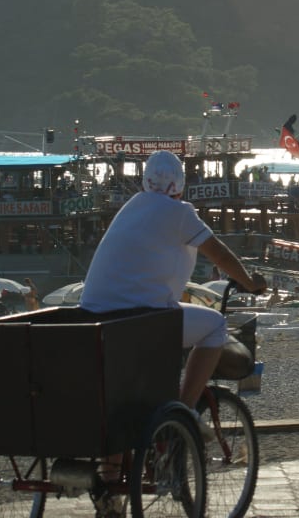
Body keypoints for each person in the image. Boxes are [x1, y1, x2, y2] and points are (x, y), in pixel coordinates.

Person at [79, 150, 266, 411]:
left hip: (95, 318)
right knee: (214, 325)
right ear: (180, 186)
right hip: (144, 319)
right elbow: (219, 255)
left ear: (145, 182)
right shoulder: (179, 212)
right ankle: (186, 411)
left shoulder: (130, 207)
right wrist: (248, 281)